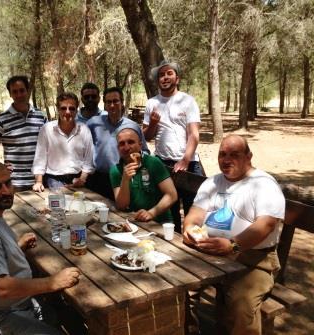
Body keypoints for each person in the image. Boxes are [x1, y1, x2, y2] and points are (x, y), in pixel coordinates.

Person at [0, 161, 80, 335]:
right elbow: (3, 288)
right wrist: (53, 282)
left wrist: (16, 248)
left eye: (8, 183)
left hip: (11, 308)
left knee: (58, 313)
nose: (6, 191)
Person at [183, 135, 285, 335]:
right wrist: (189, 229)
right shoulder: (212, 182)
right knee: (179, 288)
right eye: (222, 154)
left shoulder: (264, 184)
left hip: (252, 260)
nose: (226, 160)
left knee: (241, 305)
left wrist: (233, 245)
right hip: (208, 254)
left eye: (234, 155)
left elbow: (266, 224)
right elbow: (194, 214)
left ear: (249, 157)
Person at [142, 60, 202, 231]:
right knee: (169, 211)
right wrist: (153, 124)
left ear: (177, 78)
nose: (165, 77)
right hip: (163, 163)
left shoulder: (188, 101)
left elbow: (193, 134)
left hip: (188, 163)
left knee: (193, 212)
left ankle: (193, 249)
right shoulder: (152, 103)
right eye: (161, 75)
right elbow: (146, 136)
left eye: (169, 73)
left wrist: (185, 160)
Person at [0, 75, 46, 191]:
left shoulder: (41, 116)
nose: (19, 95)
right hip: (15, 182)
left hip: (41, 180)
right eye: (15, 92)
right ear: (10, 94)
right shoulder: (3, 119)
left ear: (27, 91)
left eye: (22, 90)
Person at [86, 87, 149, 199]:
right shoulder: (93, 123)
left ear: (122, 102)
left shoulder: (133, 126)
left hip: (122, 177)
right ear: (104, 105)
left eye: (115, 101)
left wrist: (135, 162)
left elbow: (144, 151)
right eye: (108, 102)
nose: (112, 105)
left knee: (120, 212)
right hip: (98, 178)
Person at [109, 127, 177, 222]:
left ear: (140, 145)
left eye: (131, 142)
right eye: (122, 144)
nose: (126, 147)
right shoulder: (115, 170)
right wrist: (125, 180)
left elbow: (172, 195)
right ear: (118, 148)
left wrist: (151, 213)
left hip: (158, 222)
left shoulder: (153, 163)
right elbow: (122, 205)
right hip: (134, 221)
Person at [32, 92, 94, 191]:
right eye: (63, 108)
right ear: (58, 109)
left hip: (78, 179)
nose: (68, 112)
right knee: (60, 205)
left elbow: (88, 159)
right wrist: (39, 182)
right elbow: (40, 158)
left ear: (77, 109)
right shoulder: (47, 129)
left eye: (72, 108)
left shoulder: (84, 130)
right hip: (53, 179)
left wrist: (82, 179)